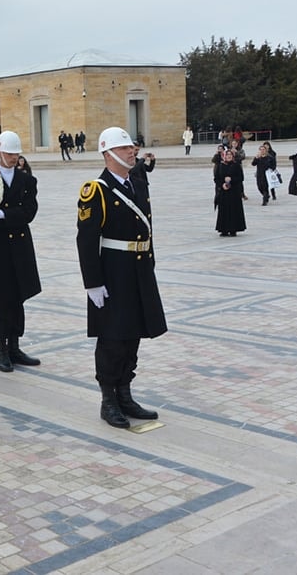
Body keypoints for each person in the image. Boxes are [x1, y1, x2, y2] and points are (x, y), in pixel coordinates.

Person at [76, 127, 166, 428]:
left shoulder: (138, 185)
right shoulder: (96, 190)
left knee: (133, 336)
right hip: (113, 274)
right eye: (125, 148)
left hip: (138, 272)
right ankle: (108, 400)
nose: (132, 151)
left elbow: (148, 232)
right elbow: (86, 240)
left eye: (132, 147)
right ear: (108, 153)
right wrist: (93, 283)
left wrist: (149, 267)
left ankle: (125, 394)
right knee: (112, 339)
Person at [0, 131, 42, 372]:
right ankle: (2, 347)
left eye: (16, 154)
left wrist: (3, 214)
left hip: (20, 246)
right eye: (9, 153)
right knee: (0, 300)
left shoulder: (26, 181)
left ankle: (15, 345)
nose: (13, 158)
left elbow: (29, 212)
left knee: (17, 298)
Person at [214, 149, 246, 236]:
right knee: (224, 210)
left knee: (233, 210)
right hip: (224, 192)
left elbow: (241, 178)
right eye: (227, 154)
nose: (229, 156)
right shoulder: (221, 166)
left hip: (234, 192)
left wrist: (232, 180)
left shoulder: (236, 165)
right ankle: (223, 229)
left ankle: (233, 229)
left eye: (230, 154)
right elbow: (216, 178)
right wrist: (222, 184)